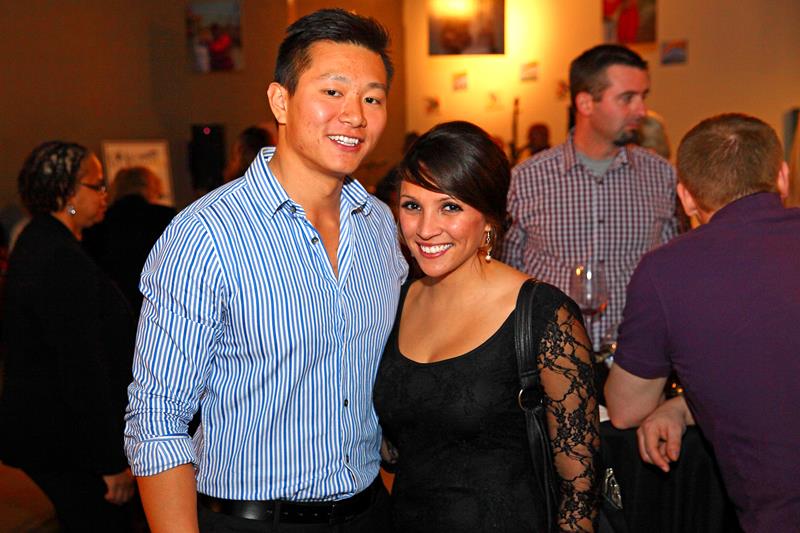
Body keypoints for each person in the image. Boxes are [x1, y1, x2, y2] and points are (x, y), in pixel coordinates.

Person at [124, 9, 406, 533]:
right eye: (332, 92)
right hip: (253, 519)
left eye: (372, 98)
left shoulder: (379, 227)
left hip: (369, 512)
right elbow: (157, 419)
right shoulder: (206, 234)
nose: (355, 115)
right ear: (280, 101)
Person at [374, 121, 599, 532]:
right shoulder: (396, 300)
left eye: (450, 207)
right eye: (412, 206)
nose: (425, 229)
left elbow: (580, 490)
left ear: (489, 220)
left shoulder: (543, 314)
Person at [604, 113, 800, 532]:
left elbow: (625, 410)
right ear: (783, 177)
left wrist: (675, 404)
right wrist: (683, 406)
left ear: (686, 198)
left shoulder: (667, 270)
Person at [501, 44, 678, 348]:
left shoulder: (661, 175)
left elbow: (671, 271)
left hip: (634, 356)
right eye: (627, 98)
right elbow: (506, 276)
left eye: (643, 97)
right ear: (585, 103)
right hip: (553, 359)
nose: (641, 110)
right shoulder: (526, 179)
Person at [0, 141, 137, 530]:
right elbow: (81, 368)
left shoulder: (41, 241)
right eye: (96, 185)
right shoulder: (58, 257)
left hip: (55, 437)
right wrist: (110, 462)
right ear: (67, 193)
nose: (105, 194)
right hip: (68, 444)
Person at [83, 166, 176, 313]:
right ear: (151, 189)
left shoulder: (98, 223)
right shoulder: (165, 217)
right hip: (157, 304)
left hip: (113, 306)